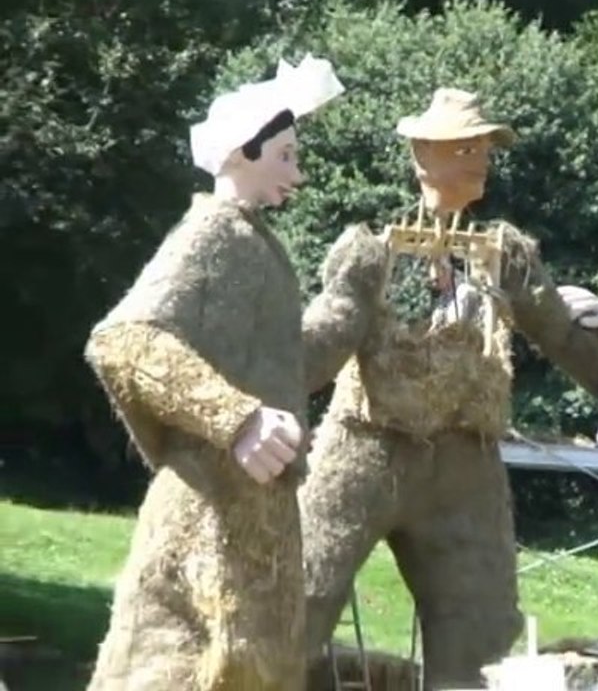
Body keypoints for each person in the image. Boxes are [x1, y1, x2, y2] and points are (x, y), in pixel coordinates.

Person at [83, 55, 384, 690]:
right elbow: (124, 340)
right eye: (285, 156)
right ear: (244, 153)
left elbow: (289, 364)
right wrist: (236, 419)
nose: (297, 174)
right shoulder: (212, 234)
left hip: (258, 522)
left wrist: (351, 297)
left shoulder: (253, 244)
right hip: (208, 513)